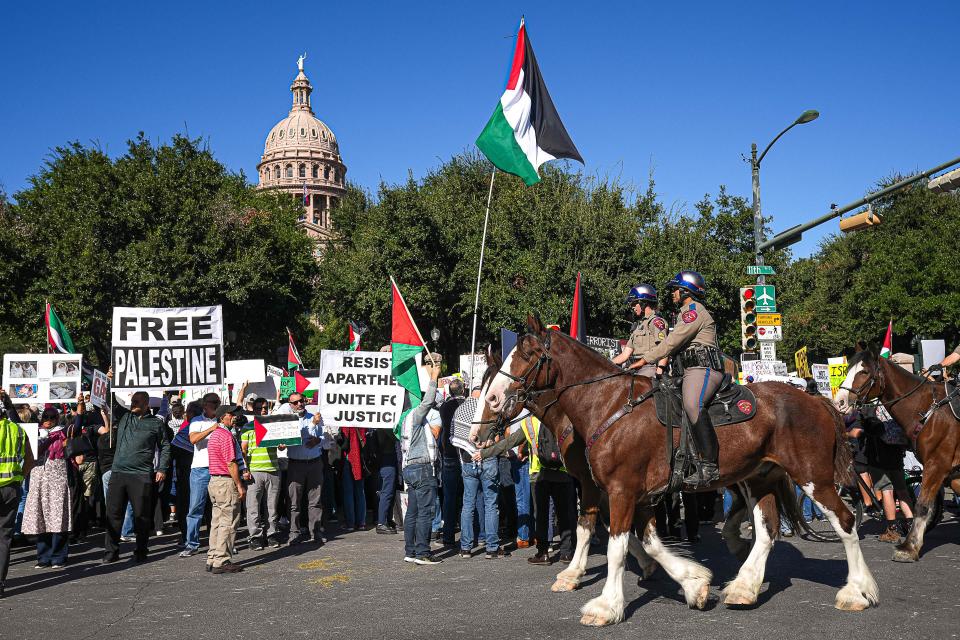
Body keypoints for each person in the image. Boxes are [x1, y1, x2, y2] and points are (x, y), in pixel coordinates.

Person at [633, 271, 722, 488]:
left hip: (703, 368)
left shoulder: (694, 312)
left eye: (675, 289)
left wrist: (645, 360)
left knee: (692, 404)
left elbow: (672, 342)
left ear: (686, 291)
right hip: (686, 371)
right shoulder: (683, 314)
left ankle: (709, 466)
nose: (672, 294)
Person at [474, 412, 575, 564]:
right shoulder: (562, 417)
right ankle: (567, 553)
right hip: (562, 472)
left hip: (538, 474)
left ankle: (543, 554)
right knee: (564, 514)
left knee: (540, 514)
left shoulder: (530, 423)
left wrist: (484, 453)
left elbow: (508, 443)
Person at [102, 391, 171, 563]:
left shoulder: (156, 423)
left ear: (147, 404)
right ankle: (111, 552)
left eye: (137, 401)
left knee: (141, 516)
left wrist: (162, 468)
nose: (133, 404)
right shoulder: (125, 418)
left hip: (141, 475)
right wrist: (111, 380)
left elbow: (165, 447)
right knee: (113, 514)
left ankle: (141, 550)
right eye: (132, 401)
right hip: (118, 473)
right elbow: (110, 400)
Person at [400, 359, 443, 565]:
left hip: (410, 467)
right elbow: (428, 402)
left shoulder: (404, 419)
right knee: (426, 511)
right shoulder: (417, 415)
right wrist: (434, 377)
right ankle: (422, 552)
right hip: (422, 467)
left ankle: (410, 551)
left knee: (413, 512)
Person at [21, 407, 73, 568]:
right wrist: (8, 404)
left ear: (57, 418)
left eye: (52, 417)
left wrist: (80, 409)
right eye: (45, 416)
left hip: (57, 482)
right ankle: (43, 557)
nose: (48, 420)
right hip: (38, 482)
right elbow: (17, 420)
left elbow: (77, 424)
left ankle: (58, 556)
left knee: (58, 520)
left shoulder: (63, 433)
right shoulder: (34, 433)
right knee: (41, 520)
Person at [1, 390, 35, 598]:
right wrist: (20, 477)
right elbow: (30, 459)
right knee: (3, 538)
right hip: (11, 489)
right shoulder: (17, 431)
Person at [206, 404, 247, 574]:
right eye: (231, 415)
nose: (234, 417)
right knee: (228, 522)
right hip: (225, 481)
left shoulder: (216, 434)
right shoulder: (224, 435)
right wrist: (239, 485)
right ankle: (221, 560)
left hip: (215, 481)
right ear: (223, 417)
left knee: (217, 521)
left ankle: (213, 557)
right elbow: (231, 463)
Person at [181, 393, 221, 557]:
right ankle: (191, 544)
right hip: (200, 469)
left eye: (217, 402)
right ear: (205, 405)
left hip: (219, 468)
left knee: (219, 507)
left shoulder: (223, 418)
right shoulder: (197, 420)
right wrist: (212, 428)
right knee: (196, 507)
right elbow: (193, 440)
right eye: (213, 403)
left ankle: (221, 542)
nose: (216, 405)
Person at [285, 392, 326, 545]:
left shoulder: (314, 417)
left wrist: (318, 440)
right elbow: (296, 435)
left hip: (314, 462)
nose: (299, 404)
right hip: (296, 463)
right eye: (295, 403)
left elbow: (324, 437)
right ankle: (294, 533)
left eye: (301, 401)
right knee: (294, 501)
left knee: (315, 500)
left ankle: (315, 531)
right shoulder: (288, 421)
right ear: (291, 405)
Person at [240, 414, 281, 550]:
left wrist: (282, 444)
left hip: (273, 469)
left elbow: (281, 446)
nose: (261, 411)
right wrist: (245, 469)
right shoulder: (247, 427)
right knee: (253, 506)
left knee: (272, 506)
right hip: (255, 471)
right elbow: (243, 450)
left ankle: (271, 534)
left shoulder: (273, 426)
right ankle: (255, 536)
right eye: (258, 408)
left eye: (264, 409)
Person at [612, 284, 668, 378]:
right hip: (634, 368)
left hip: (650, 368)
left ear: (643, 303)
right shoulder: (638, 326)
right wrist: (606, 363)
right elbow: (625, 354)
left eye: (634, 304)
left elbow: (665, 348)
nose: (632, 307)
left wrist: (659, 372)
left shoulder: (656, 322)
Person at [437, 378, 465, 547]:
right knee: (467, 497)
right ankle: (469, 533)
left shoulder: (445, 407)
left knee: (449, 497)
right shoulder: (468, 405)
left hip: (449, 453)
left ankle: (448, 535)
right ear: (463, 390)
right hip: (464, 453)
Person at [373, 429, 400, 534]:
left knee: (390, 491)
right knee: (387, 491)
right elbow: (396, 437)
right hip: (387, 457)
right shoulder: (383, 425)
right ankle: (382, 522)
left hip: (388, 456)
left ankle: (386, 520)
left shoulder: (384, 425)